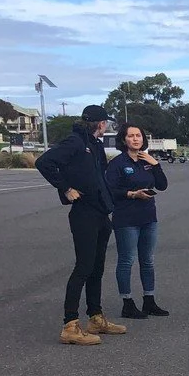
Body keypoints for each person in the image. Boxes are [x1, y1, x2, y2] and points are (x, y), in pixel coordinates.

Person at [36, 105, 126, 345]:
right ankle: (70, 325)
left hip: (100, 212)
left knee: (97, 267)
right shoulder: (75, 142)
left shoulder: (95, 145)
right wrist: (66, 188)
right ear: (100, 123)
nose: (106, 126)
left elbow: (99, 177)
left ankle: (95, 317)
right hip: (83, 213)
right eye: (105, 122)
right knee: (83, 267)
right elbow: (44, 162)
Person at [105, 122, 170, 320]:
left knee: (147, 260)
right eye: (131, 136)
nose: (135, 139)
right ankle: (127, 303)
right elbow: (110, 190)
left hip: (148, 217)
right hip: (126, 219)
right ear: (123, 140)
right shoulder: (117, 163)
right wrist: (132, 194)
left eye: (138, 136)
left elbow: (162, 185)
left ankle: (149, 300)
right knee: (127, 260)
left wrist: (156, 164)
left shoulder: (147, 161)